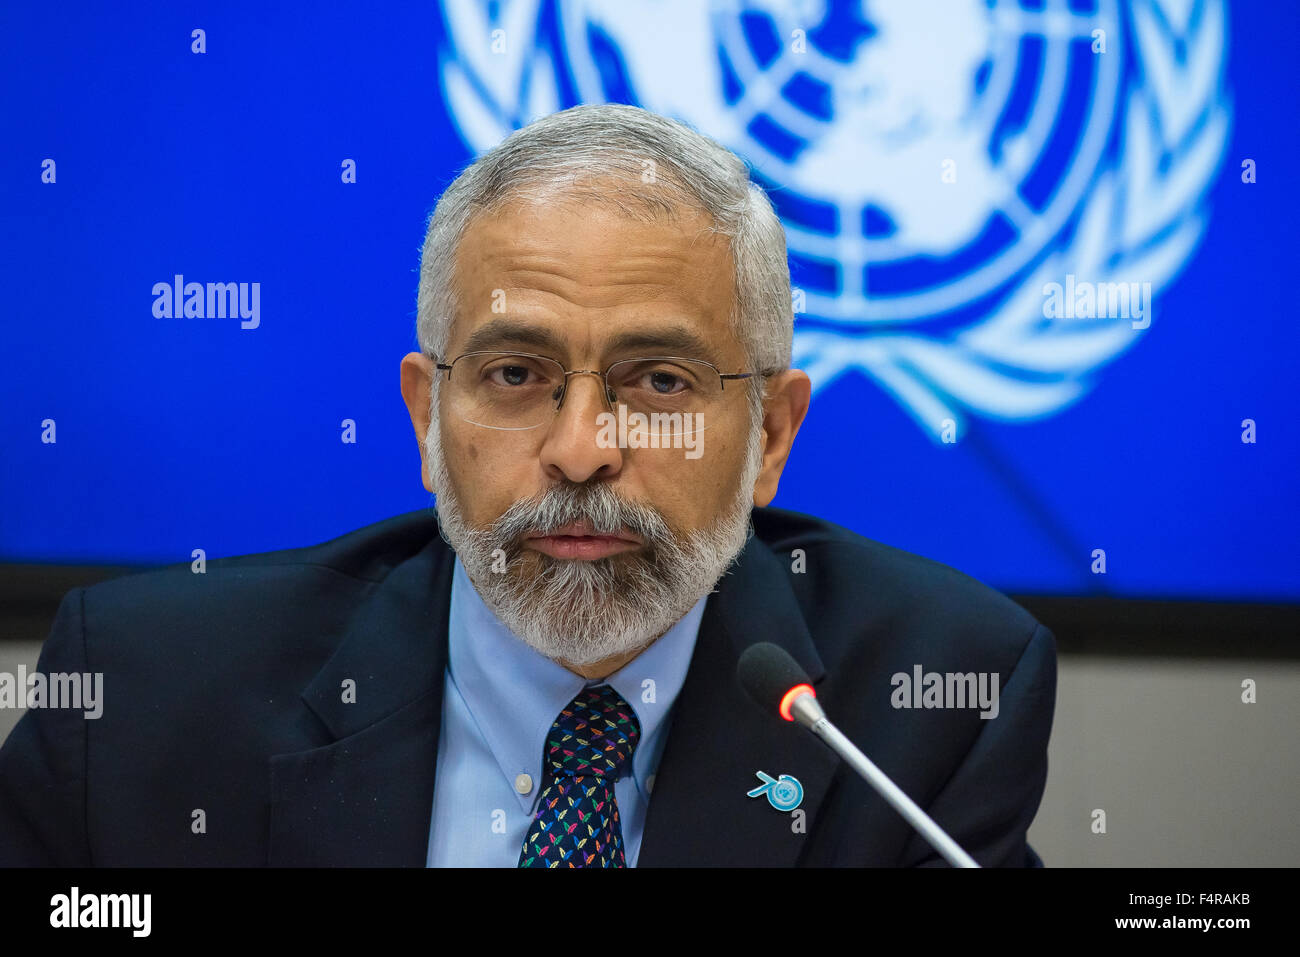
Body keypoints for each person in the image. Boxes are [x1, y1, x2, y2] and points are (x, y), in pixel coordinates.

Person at [0, 103, 1056, 867]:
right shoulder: (138, 702)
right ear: (426, 417)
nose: (583, 447)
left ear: (770, 435)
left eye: (658, 381)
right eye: (515, 375)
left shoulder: (927, 708)